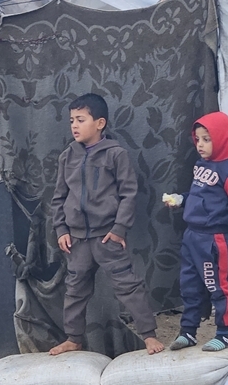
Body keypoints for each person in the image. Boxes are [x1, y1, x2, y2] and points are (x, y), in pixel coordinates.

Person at [49, 93, 164, 356]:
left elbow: (129, 193)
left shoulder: (116, 154)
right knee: (75, 289)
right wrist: (61, 230)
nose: (74, 126)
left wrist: (118, 229)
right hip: (76, 240)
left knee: (128, 285)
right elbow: (58, 197)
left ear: (100, 123)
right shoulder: (67, 157)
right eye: (71, 121)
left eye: (81, 119)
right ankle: (73, 338)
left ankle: (148, 335)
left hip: (106, 237)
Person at [164, 111, 228, 351]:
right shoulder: (202, 165)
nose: (201, 145)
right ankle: (189, 331)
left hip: (213, 239)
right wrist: (180, 199)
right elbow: (198, 196)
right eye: (198, 139)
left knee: (218, 287)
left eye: (207, 139)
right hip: (191, 236)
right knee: (189, 285)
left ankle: (223, 334)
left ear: (222, 138)